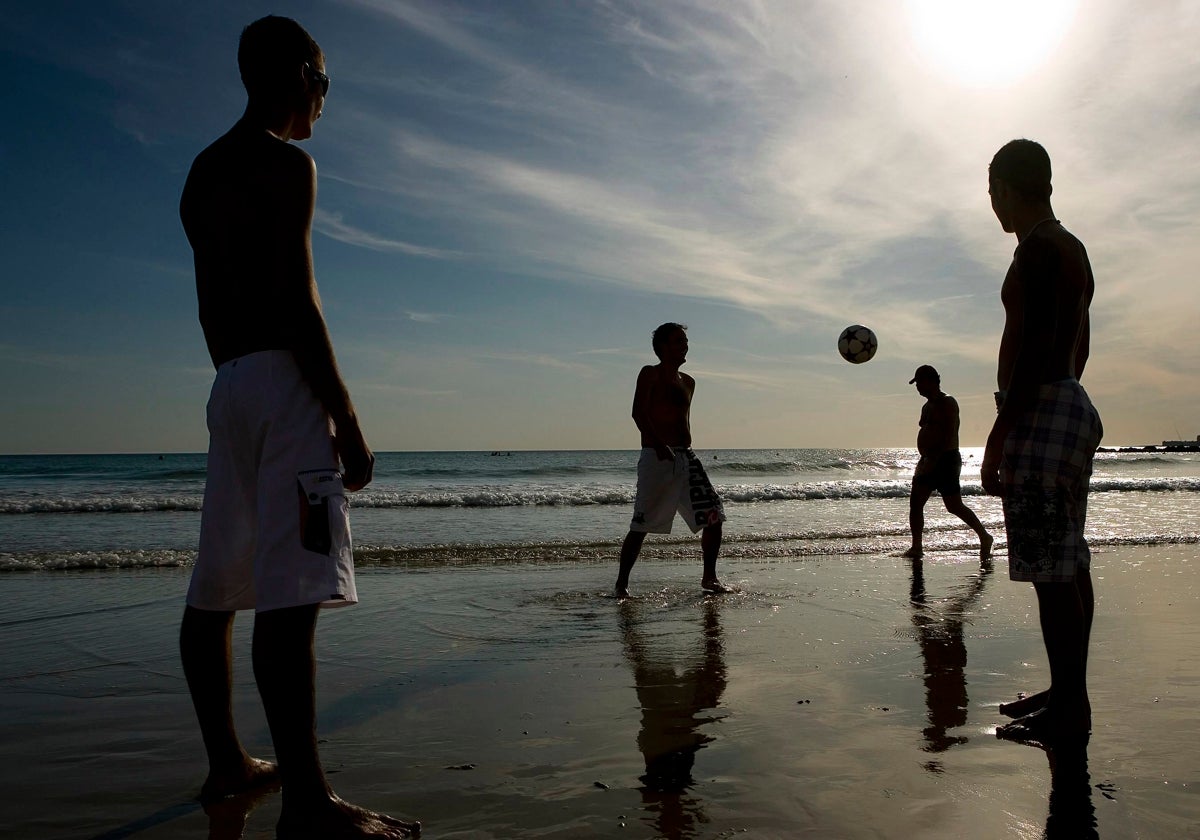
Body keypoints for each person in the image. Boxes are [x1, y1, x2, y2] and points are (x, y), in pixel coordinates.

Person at [178, 16, 418, 839]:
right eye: (323, 81)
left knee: (217, 587)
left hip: (230, 381)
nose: (325, 99)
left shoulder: (202, 172)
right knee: (292, 593)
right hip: (282, 382)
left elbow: (218, 299)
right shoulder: (287, 165)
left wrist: (242, 382)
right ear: (296, 77)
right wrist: (345, 418)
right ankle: (311, 807)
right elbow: (297, 297)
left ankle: (228, 760)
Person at [980, 139, 1103, 745]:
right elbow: (1080, 343)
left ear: (1007, 186)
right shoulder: (1070, 247)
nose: (992, 204)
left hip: (1042, 406)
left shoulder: (1037, 251)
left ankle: (1070, 709)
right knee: (1068, 561)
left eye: (992, 190)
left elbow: (1035, 348)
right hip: (1068, 402)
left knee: (1053, 573)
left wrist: (1001, 431)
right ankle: (1068, 692)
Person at [615, 323, 730, 598]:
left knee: (713, 515)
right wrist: (659, 445)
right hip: (656, 457)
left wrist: (680, 450)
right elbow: (638, 414)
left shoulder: (689, 381)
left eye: (686, 340)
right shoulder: (650, 374)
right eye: (679, 341)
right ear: (663, 347)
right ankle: (621, 584)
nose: (685, 345)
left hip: (686, 458)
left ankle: (709, 578)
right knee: (641, 525)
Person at [903, 365, 993, 561]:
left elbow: (949, 433)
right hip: (927, 460)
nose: (917, 387)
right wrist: (924, 458)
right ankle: (916, 547)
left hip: (945, 459)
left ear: (931, 381)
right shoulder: (926, 406)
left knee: (953, 506)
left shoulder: (947, 402)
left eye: (919, 382)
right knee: (916, 503)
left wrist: (934, 458)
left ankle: (985, 536)